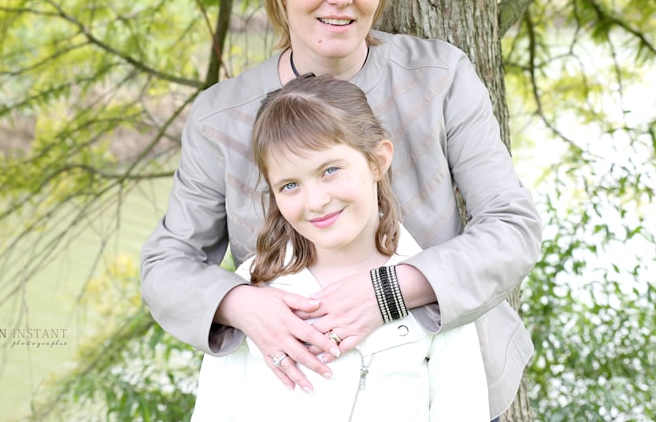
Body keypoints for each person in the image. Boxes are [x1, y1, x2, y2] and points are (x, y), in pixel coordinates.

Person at [140, 0, 542, 419]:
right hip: (299, 397)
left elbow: (512, 226)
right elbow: (167, 266)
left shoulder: (441, 77)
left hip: (444, 381)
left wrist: (391, 291)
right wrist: (243, 304)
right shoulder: (221, 118)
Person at [191, 74, 489, 421]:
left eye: (330, 170)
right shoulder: (256, 286)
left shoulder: (431, 285)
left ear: (377, 161)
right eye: (289, 185)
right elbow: (216, 409)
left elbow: (462, 408)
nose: (315, 201)